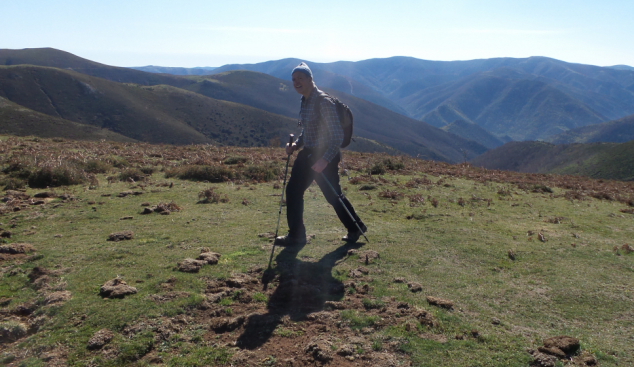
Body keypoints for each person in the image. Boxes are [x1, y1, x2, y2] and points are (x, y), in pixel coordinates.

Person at [274, 62, 366, 247]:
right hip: (308, 155)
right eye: (293, 79)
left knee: (332, 195)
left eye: (300, 78)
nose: (296, 82)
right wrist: (295, 145)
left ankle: (356, 227)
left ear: (310, 79)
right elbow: (308, 132)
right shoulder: (305, 100)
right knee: (293, 190)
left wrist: (325, 160)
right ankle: (296, 235)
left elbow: (337, 136)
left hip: (325, 157)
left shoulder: (324, 102)